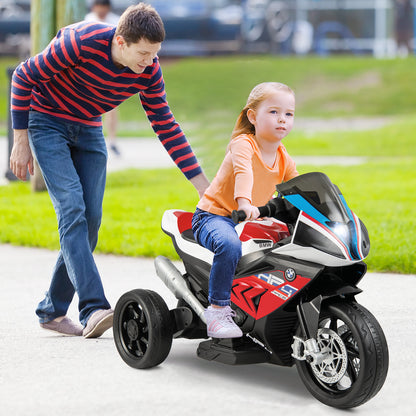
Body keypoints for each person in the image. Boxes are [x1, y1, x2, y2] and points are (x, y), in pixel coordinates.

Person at [9, 3, 210, 338]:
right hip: (47, 122)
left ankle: (52, 311)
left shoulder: (149, 70)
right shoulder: (81, 42)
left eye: (155, 54)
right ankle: (94, 308)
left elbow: (166, 125)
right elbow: (23, 75)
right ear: (120, 41)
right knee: (71, 208)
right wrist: (20, 140)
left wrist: (202, 185)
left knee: (90, 220)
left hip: (89, 126)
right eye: (143, 53)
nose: (149, 62)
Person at [192, 82, 298, 338]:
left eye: (288, 114)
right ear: (252, 116)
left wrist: (320, 207)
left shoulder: (283, 156)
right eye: (273, 112)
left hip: (249, 218)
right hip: (215, 216)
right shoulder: (243, 144)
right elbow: (244, 173)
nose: (282, 119)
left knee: (288, 243)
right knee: (229, 245)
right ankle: (218, 311)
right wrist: (244, 203)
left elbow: (297, 188)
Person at [85, 0, 121, 156]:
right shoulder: (88, 21)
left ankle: (112, 140)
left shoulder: (116, 22)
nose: (101, 10)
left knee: (111, 106)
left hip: (110, 70)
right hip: (91, 69)